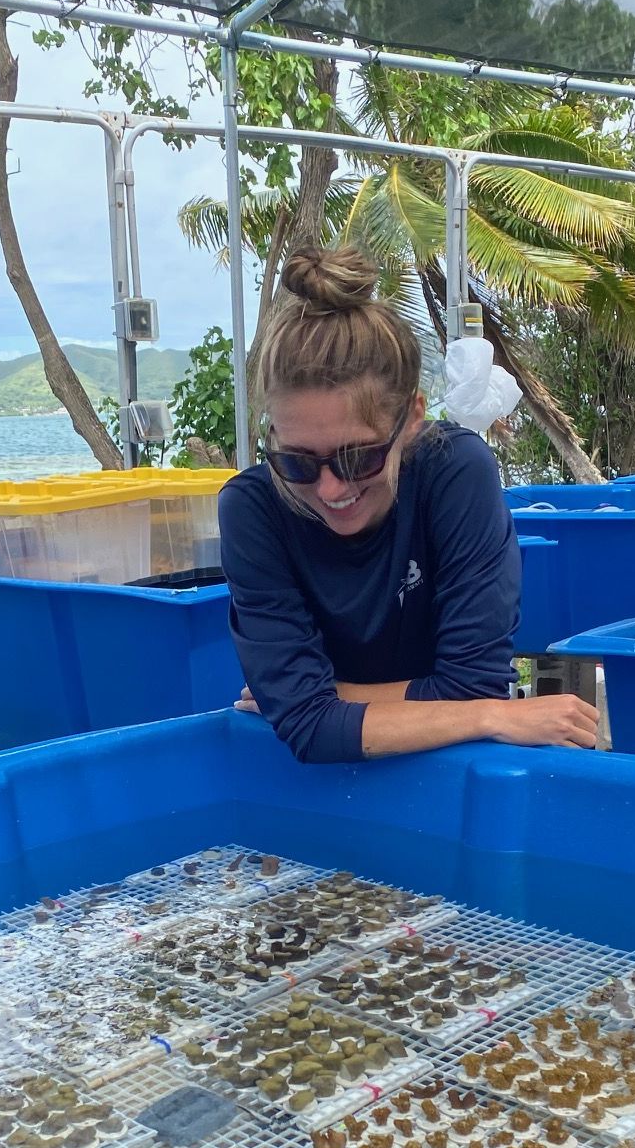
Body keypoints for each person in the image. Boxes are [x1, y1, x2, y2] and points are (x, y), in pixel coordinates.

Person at [218, 243, 599, 764]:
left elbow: (467, 686)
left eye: (359, 458)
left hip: (449, 768)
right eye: (298, 463)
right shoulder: (252, 509)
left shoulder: (456, 473)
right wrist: (490, 715)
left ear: (412, 418)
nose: (331, 489)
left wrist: (332, 698)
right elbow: (311, 728)